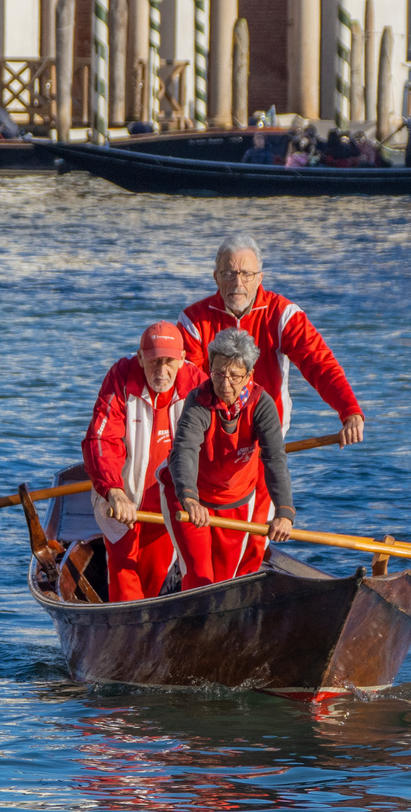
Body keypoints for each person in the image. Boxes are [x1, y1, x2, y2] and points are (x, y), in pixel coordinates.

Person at [178, 234, 365, 446]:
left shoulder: (283, 315)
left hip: (267, 438)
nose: (238, 283)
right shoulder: (192, 321)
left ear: (259, 278)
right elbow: (190, 385)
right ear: (216, 277)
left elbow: (320, 365)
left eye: (246, 274)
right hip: (210, 439)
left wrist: (350, 412)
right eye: (229, 274)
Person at [79, 322, 206, 602]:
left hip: (169, 504)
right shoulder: (121, 377)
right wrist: (114, 491)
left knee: (152, 581)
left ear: (183, 359)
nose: (162, 371)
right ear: (140, 358)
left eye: (169, 361)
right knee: (125, 576)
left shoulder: (197, 384)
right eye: (154, 361)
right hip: (122, 499)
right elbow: (101, 440)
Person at [166, 328, 291, 588]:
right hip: (191, 499)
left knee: (224, 582)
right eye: (219, 374)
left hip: (235, 499)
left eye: (234, 376)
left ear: (249, 375)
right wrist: (189, 498)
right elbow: (185, 449)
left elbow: (274, 457)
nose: (225, 384)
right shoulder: (199, 400)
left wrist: (284, 512)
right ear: (210, 368)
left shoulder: (262, 404)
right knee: (200, 578)